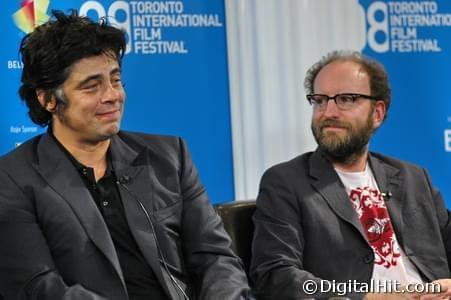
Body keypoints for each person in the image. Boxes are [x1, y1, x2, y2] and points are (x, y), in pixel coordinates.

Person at [0, 10, 250, 300]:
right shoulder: (13, 178)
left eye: (115, 80)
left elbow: (215, 257)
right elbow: (37, 286)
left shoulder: (170, 156)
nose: (112, 95)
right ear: (48, 100)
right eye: (91, 86)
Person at [250, 50, 451, 299]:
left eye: (346, 99)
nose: (329, 111)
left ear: (377, 113)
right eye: (320, 100)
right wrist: (364, 297)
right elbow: (275, 275)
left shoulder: (413, 178)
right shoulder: (286, 183)